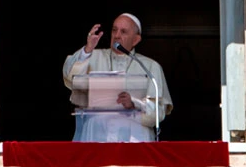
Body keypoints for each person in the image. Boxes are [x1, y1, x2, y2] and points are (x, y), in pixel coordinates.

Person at [62, 13, 173, 142]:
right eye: (114, 30)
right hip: (96, 135)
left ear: (136, 39)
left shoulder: (150, 66)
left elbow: (159, 112)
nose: (117, 35)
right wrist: (88, 49)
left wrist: (134, 104)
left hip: (134, 137)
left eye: (123, 32)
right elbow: (70, 77)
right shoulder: (92, 55)